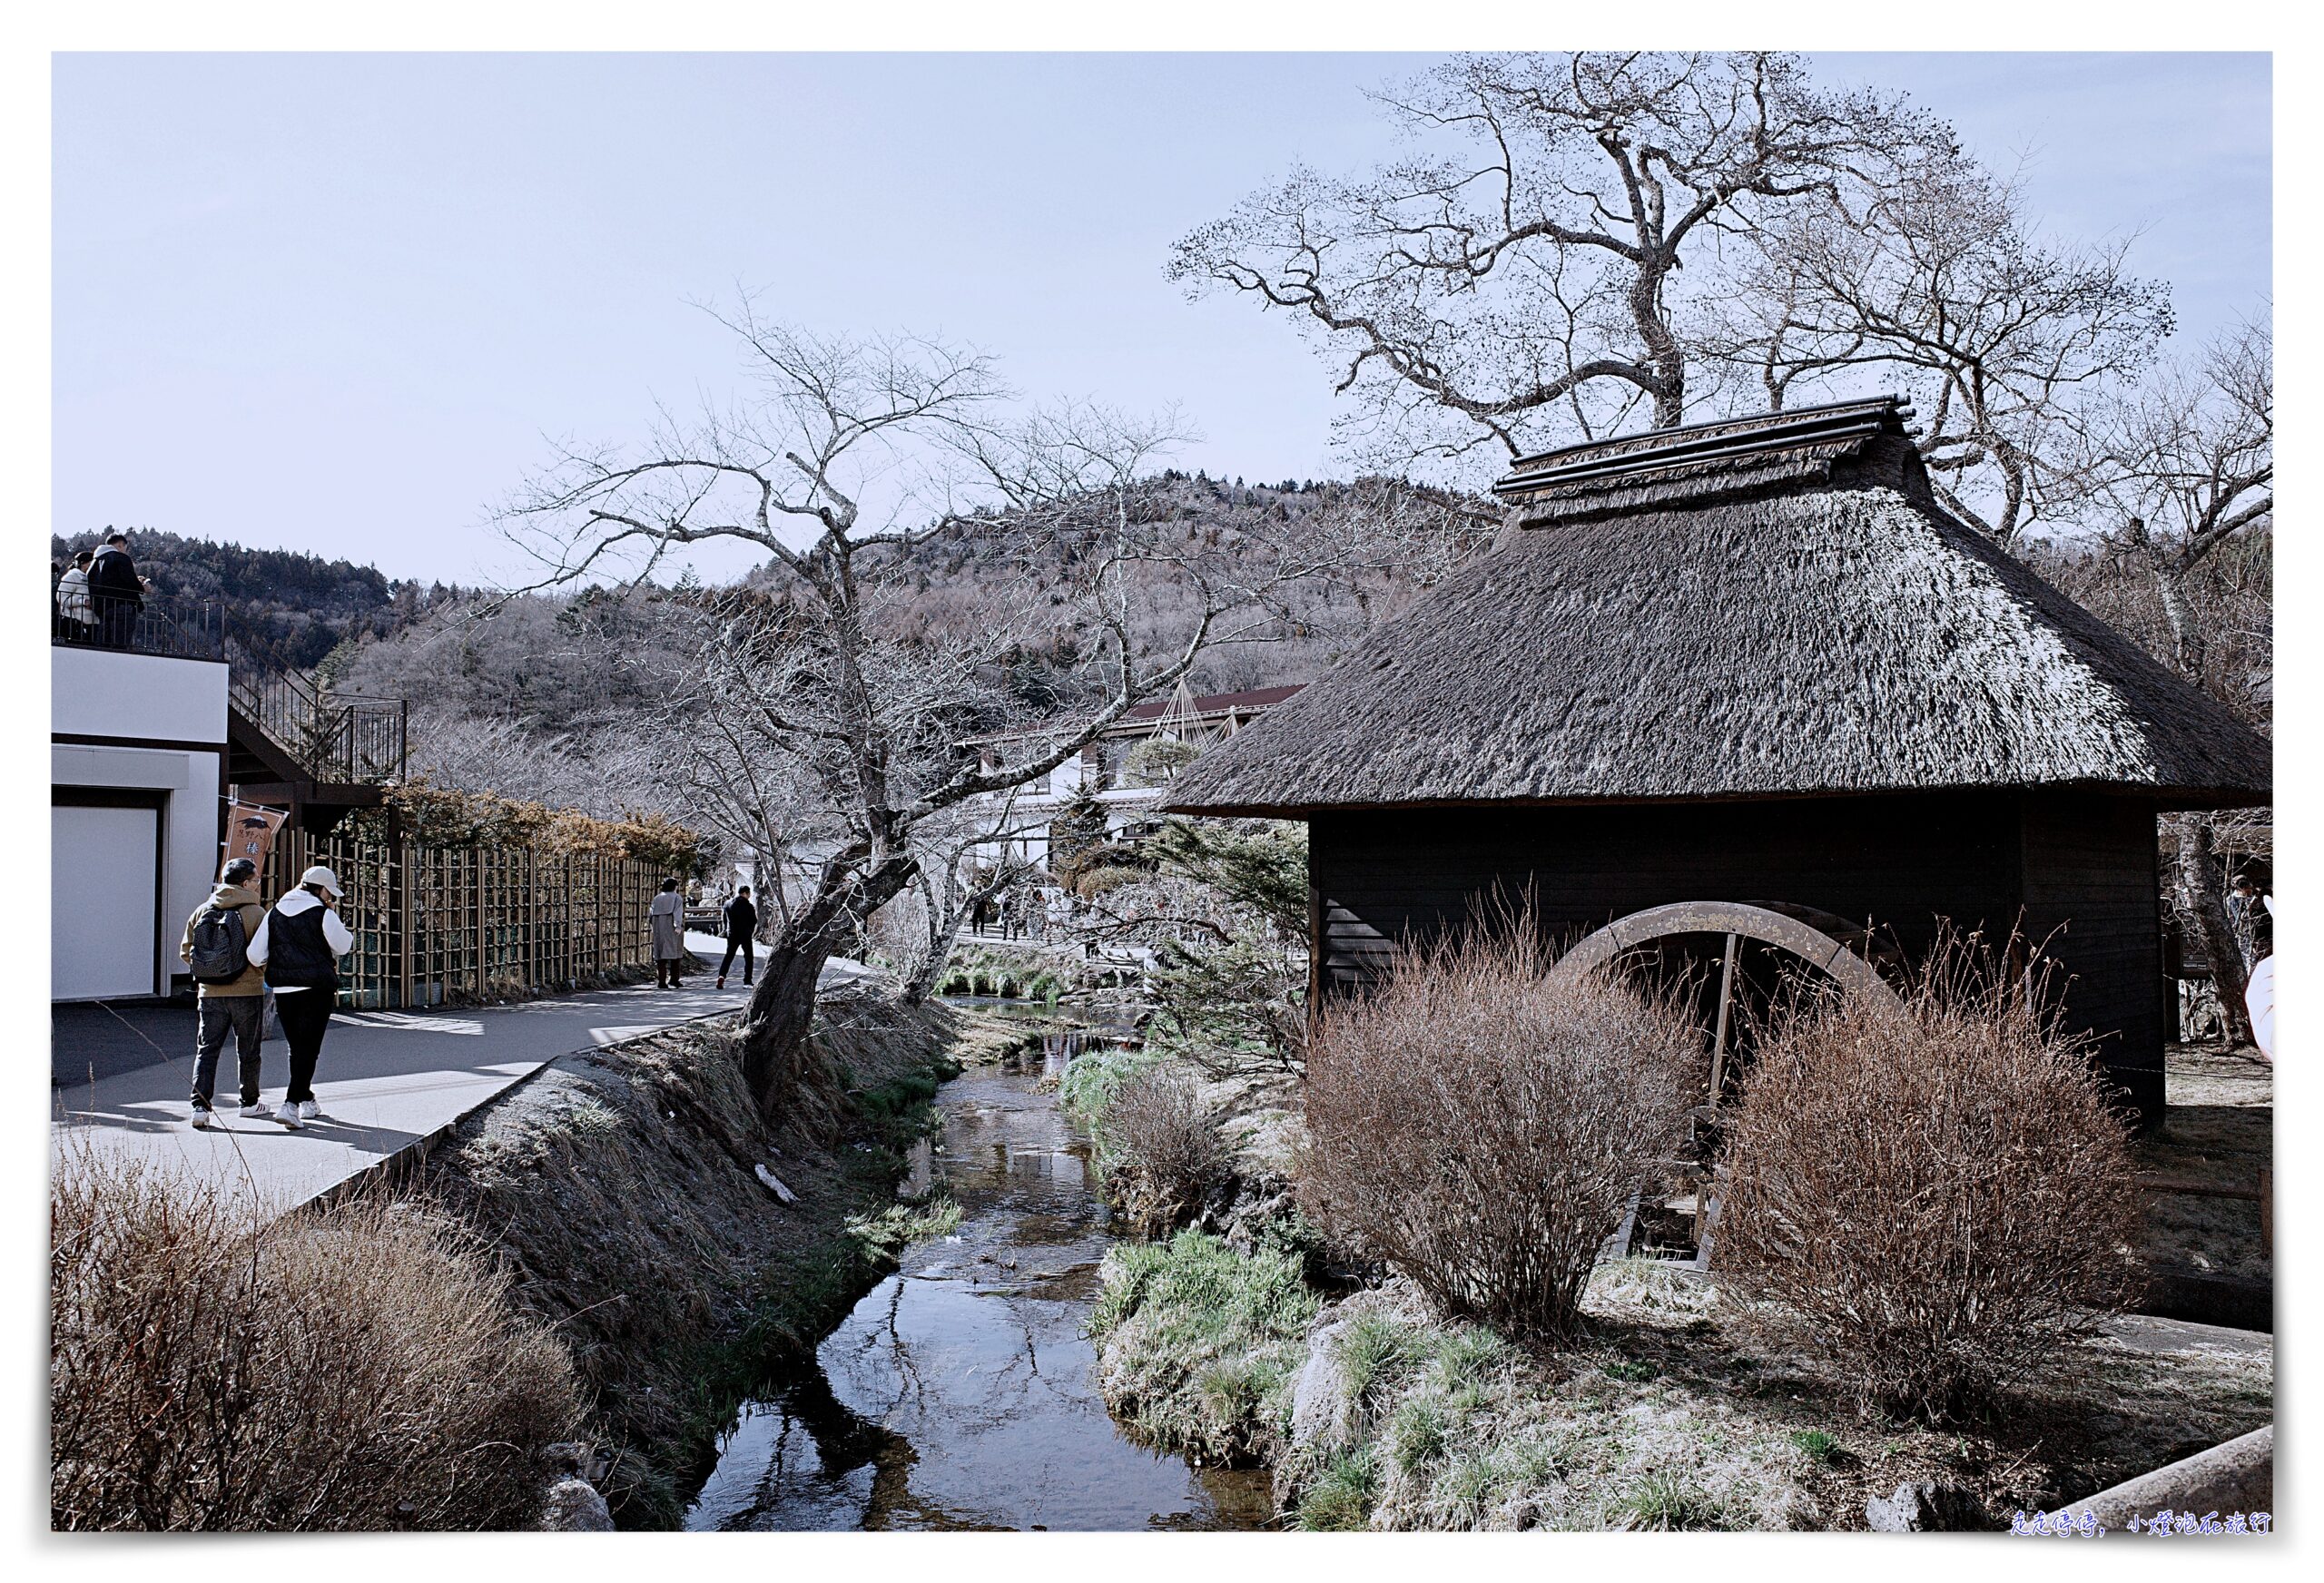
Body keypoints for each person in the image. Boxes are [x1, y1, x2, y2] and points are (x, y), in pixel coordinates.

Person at [247, 864, 354, 1127]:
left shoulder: (274, 913)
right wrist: (333, 919)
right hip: (316, 987)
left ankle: (307, 1100)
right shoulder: (322, 913)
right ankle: (291, 1104)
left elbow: (255, 954)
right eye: (329, 893)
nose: (330, 898)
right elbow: (343, 946)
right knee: (309, 1048)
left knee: (298, 1047)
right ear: (319, 889)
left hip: (283, 988)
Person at [180, 858, 274, 1127]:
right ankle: (249, 1102)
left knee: (207, 1050)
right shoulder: (256, 914)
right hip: (247, 992)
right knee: (248, 1050)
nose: (258, 885)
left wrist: (213, 972)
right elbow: (264, 956)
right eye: (256, 880)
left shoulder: (201, 911)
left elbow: (186, 952)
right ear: (246, 883)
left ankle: (200, 1107)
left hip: (209, 993)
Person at [85, 529, 149, 650]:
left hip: (102, 608)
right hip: (123, 605)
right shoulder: (120, 558)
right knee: (121, 644)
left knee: (105, 642)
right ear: (120, 545)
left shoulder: (93, 564)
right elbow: (128, 580)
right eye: (125, 547)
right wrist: (142, 587)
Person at [717, 885, 758, 989]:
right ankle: (747, 981)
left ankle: (722, 975)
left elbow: (724, 919)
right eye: (748, 894)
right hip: (745, 934)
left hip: (732, 934)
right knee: (748, 957)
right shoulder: (748, 906)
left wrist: (726, 930)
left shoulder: (728, 904)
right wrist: (750, 931)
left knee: (729, 956)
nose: (749, 896)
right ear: (744, 893)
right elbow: (754, 920)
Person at [650, 876, 687, 988]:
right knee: (675, 953)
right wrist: (678, 926)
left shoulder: (657, 898)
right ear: (675, 886)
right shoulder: (677, 898)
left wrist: (653, 925)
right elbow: (677, 913)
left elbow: (651, 914)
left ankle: (662, 981)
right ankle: (674, 979)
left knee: (660, 954)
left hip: (658, 927)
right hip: (671, 926)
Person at [54, 551, 94, 642]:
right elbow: (62, 597)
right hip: (75, 622)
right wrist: (82, 601)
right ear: (83, 564)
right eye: (92, 563)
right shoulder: (72, 577)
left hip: (90, 622)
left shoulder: (93, 578)